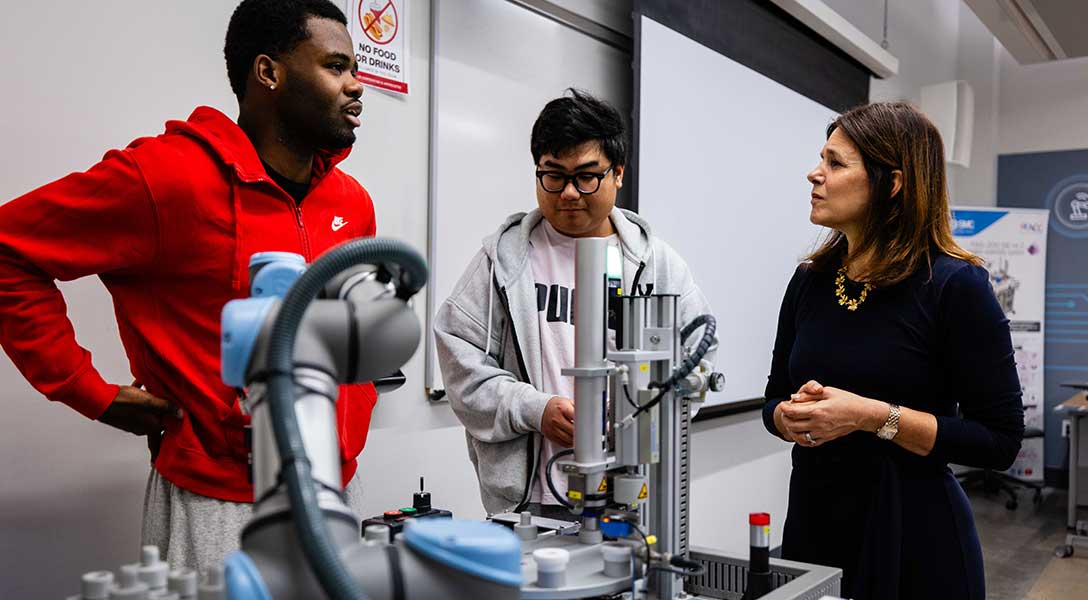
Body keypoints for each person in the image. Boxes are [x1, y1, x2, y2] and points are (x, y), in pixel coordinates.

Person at [0, 0, 379, 571]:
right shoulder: (167, 179)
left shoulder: (351, 202)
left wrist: (357, 405)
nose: (356, 85)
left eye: (354, 68)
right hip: (219, 505)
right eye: (335, 66)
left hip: (333, 491)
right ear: (269, 72)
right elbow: (9, 250)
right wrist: (89, 393)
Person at [762, 102, 1024, 599]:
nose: (815, 174)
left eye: (836, 163)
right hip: (815, 529)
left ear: (893, 183)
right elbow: (773, 396)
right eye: (822, 159)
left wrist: (871, 417)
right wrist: (786, 417)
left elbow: (999, 440)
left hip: (912, 537)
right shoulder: (810, 281)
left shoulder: (954, 286)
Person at [434, 89, 714, 517]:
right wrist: (534, 409)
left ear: (618, 173)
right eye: (553, 175)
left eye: (586, 176)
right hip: (529, 503)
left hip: (628, 496)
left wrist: (638, 414)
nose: (568, 193)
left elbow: (698, 360)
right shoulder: (501, 263)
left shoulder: (657, 266)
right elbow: (461, 367)